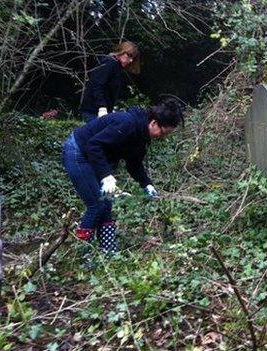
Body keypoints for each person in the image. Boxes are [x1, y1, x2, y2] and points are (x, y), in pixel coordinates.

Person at [63, 98, 184, 257]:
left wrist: (147, 185)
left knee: (106, 206)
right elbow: (94, 146)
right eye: (163, 132)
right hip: (78, 152)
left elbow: (134, 165)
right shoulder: (127, 124)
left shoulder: (141, 136)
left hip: (93, 156)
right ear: (154, 123)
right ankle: (83, 255)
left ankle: (109, 252)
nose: (162, 136)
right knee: (97, 205)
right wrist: (106, 176)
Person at [80, 41, 141, 122]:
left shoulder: (117, 67)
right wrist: (102, 107)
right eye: (129, 56)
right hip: (93, 110)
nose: (130, 60)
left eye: (133, 58)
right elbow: (97, 85)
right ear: (122, 52)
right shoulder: (109, 62)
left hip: (102, 110)